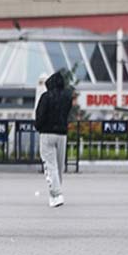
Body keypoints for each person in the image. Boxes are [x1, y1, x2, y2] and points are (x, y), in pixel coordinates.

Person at [34, 71, 73, 208]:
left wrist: (38, 126)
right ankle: (56, 193)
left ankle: (56, 194)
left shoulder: (46, 96)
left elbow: (40, 114)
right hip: (62, 133)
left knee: (50, 165)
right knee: (59, 165)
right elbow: (68, 112)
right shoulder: (67, 97)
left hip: (47, 133)